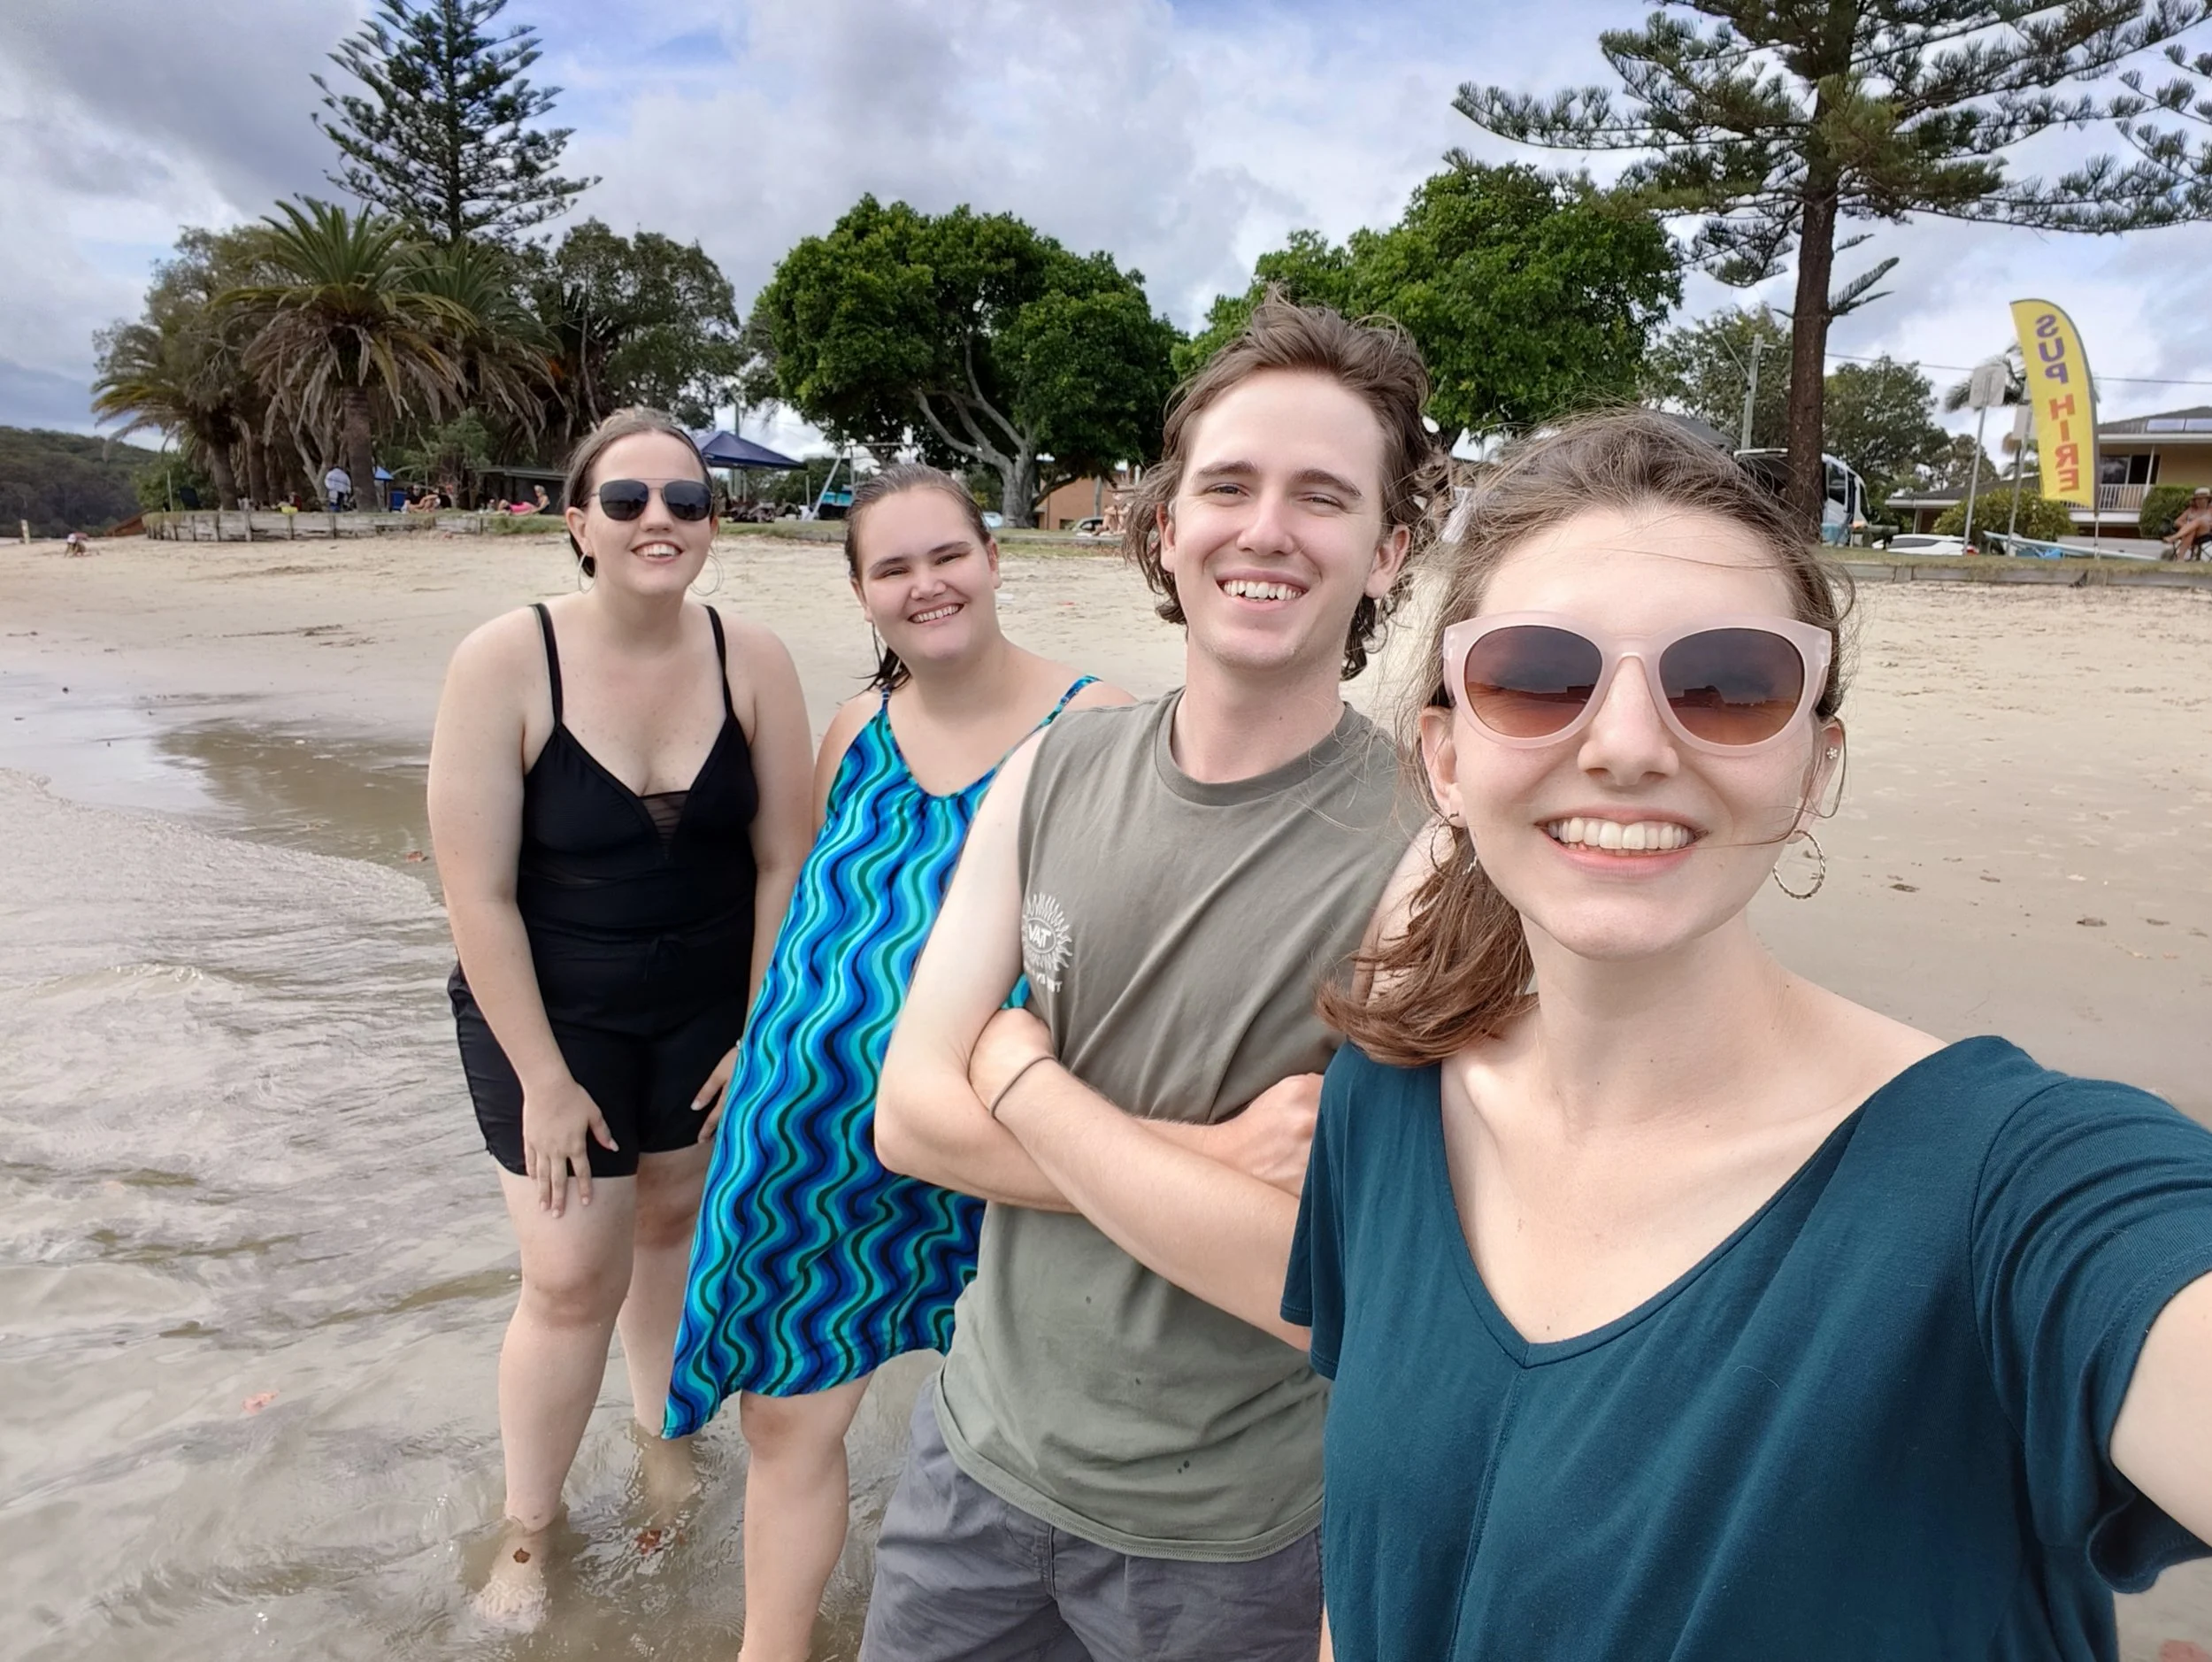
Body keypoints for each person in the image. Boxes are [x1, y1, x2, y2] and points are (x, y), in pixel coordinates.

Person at [1286, 409, 2212, 1661]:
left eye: (1728, 684)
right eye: (1538, 675)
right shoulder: (1388, 1103)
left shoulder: (2011, 1186)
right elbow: (1372, 1572)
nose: (1623, 746)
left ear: (1814, 764)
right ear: (1445, 756)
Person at [864, 297, 1442, 1661]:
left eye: (1323, 496)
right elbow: (904, 1121)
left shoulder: (1432, 845)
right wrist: (1202, 1157)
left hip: (1234, 1536)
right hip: (975, 1460)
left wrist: (1017, 1071)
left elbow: (1317, 1276)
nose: (1265, 529)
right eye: (1227, 485)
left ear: (1387, 552)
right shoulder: (1053, 768)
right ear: (1164, 525)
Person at [664, 464, 1129, 1661]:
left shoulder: (1097, 721)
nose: (927, 585)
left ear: (993, 558)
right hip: (809, 1139)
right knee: (785, 1418)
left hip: (990, 1137)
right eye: (893, 567)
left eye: (947, 555)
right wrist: (763, 1036)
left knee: (1015, 1428)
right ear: (863, 593)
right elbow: (818, 906)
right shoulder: (856, 727)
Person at [426, 407, 814, 1629]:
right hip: (548, 1013)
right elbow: (475, 891)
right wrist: (542, 1077)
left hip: (707, 1005)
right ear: (577, 520)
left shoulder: (751, 657)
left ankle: (661, 1438)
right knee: (567, 1275)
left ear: (714, 522)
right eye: (632, 500)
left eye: (689, 502)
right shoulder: (505, 657)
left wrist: (762, 1027)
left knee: (671, 1226)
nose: (663, 521)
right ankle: (530, 1530)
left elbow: (779, 867)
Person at [2166, 486, 2212, 560]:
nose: (2199, 501)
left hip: (2205, 532)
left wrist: (2206, 523)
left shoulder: (2210, 510)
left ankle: (2174, 537)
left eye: (2202, 499)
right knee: (2191, 530)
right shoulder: (2191, 510)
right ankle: (2180, 559)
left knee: (2199, 521)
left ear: (2208, 500)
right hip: (2190, 533)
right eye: (2197, 499)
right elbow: (2177, 522)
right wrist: (2188, 527)